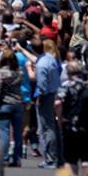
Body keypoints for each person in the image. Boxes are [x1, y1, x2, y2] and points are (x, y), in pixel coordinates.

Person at [0, 47, 25, 166]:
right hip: (17, 103)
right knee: (17, 132)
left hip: (5, 103)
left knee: (4, 131)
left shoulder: (2, 72)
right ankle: (17, 158)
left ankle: (5, 158)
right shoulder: (19, 71)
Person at [35, 39, 63, 167]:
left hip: (46, 96)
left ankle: (51, 158)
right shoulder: (50, 58)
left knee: (47, 127)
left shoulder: (41, 64)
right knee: (54, 126)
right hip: (55, 92)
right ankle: (59, 156)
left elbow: (42, 84)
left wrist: (40, 96)